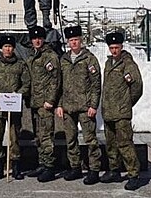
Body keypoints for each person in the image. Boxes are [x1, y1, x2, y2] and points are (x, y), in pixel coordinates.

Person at [56, 25, 102, 185]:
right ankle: (75, 167)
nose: (74, 43)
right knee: (71, 139)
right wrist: (60, 104)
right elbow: (59, 84)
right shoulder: (64, 60)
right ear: (68, 42)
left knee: (90, 140)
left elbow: (96, 84)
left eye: (76, 40)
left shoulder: (90, 59)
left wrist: (93, 105)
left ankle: (94, 169)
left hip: (85, 107)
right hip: (68, 107)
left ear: (81, 40)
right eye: (71, 40)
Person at [0, 35, 31, 180]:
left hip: (14, 109)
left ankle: (15, 167)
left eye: (10, 47)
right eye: (5, 47)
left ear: (13, 48)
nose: (8, 49)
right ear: (1, 49)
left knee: (14, 139)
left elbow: (26, 84)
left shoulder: (20, 65)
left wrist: (18, 94)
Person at [101, 32, 143, 191]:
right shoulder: (108, 63)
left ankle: (133, 174)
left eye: (116, 47)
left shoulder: (128, 64)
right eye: (111, 48)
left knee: (125, 144)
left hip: (121, 113)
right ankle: (114, 170)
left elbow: (137, 87)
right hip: (109, 112)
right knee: (111, 144)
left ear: (121, 47)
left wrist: (127, 103)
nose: (114, 51)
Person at [24, 26, 61, 182]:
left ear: (44, 39)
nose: (37, 41)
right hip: (34, 103)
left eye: (39, 38)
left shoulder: (49, 56)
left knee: (46, 136)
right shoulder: (31, 56)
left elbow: (55, 80)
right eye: (34, 38)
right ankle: (42, 163)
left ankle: (50, 167)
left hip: (45, 104)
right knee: (39, 136)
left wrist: (50, 100)